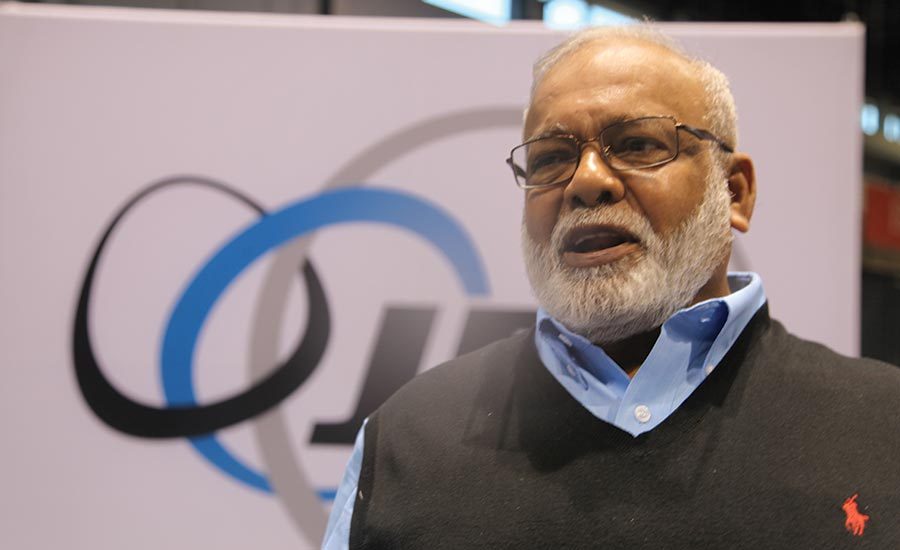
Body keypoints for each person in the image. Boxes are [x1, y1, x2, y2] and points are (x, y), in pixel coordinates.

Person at [322, 26, 900, 549]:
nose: (587, 181)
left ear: (735, 192)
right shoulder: (405, 442)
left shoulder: (882, 426)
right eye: (551, 158)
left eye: (638, 145)